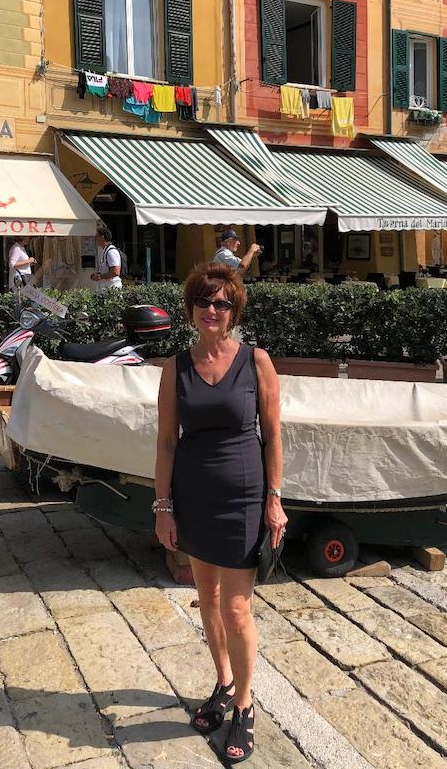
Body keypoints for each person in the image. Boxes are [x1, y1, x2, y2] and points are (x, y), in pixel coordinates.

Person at [155, 263, 287, 763]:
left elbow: (273, 434)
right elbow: (167, 441)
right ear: (191, 308)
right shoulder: (175, 367)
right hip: (193, 497)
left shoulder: (256, 361)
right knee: (206, 599)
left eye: (222, 303)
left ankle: (245, 706)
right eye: (205, 302)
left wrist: (275, 497)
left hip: (244, 498)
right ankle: (225, 683)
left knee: (236, 608)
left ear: (234, 311)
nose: (213, 310)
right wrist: (163, 507)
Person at [91, 224, 122, 292]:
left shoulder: (111, 252)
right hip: (106, 289)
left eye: (96, 236)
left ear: (102, 237)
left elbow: (115, 272)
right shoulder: (105, 251)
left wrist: (100, 277)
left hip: (111, 290)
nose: (95, 239)